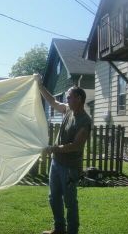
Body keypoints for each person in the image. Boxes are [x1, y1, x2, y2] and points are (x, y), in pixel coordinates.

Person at [34, 74, 92, 234]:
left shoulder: (85, 121)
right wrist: (40, 86)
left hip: (70, 169)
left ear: (79, 98)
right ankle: (59, 229)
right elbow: (52, 101)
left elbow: (75, 146)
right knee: (54, 198)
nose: (66, 100)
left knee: (70, 201)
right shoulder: (68, 110)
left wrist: (53, 148)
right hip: (56, 163)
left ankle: (72, 231)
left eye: (69, 97)